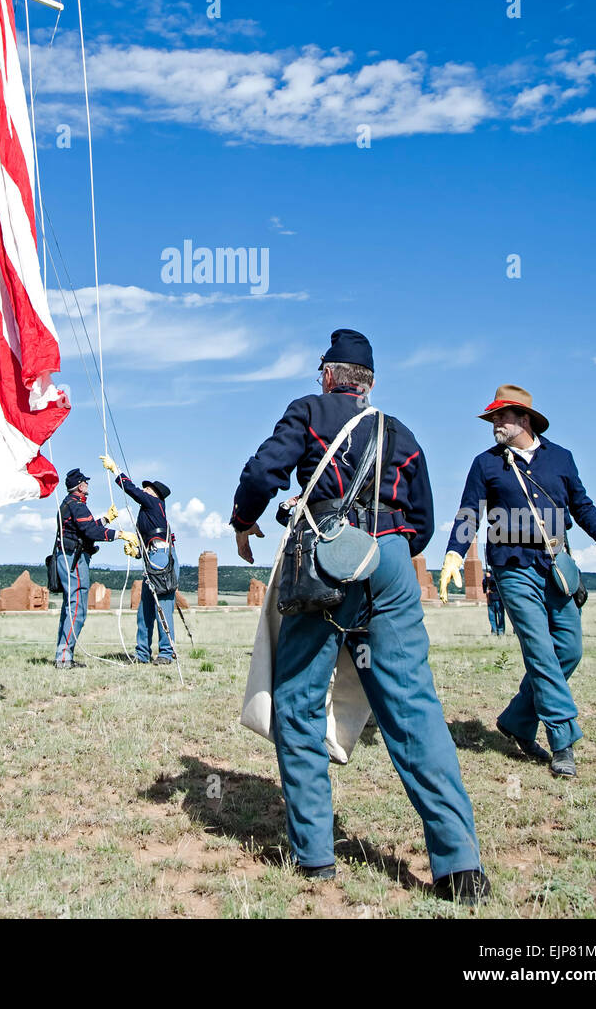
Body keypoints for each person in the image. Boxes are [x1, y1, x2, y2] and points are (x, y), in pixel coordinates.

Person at [230, 328, 488, 903]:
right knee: (414, 706)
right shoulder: (404, 433)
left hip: (325, 554)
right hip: (392, 559)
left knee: (297, 701)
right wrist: (389, 552)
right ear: (368, 385)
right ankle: (459, 866)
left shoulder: (308, 411)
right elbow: (421, 520)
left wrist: (243, 519)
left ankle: (316, 856)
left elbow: (261, 472)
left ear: (327, 375)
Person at [441, 384, 596, 778]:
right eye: (492, 417)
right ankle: (563, 741)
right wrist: (456, 553)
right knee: (541, 651)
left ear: (524, 419)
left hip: (556, 566)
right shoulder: (486, 463)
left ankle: (516, 720)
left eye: (501, 417)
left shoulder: (561, 458)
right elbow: (469, 512)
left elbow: (581, 504)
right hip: (511, 568)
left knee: (569, 649)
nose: (495, 423)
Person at [53, 468, 138, 668]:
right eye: (86, 482)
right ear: (80, 486)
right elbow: (90, 531)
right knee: (77, 609)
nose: (88, 485)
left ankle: (63, 654)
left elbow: (86, 527)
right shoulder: (77, 505)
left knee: (70, 607)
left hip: (67, 556)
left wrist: (106, 519)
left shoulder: (71, 504)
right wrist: (120, 534)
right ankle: (64, 658)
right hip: (74, 559)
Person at [101, 456, 179, 665]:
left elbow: (132, 490)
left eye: (149, 489)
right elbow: (148, 543)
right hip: (153, 558)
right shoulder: (148, 514)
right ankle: (142, 654)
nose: (145, 490)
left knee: (162, 607)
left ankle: (165, 652)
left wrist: (115, 470)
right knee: (145, 608)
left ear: (156, 495)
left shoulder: (153, 503)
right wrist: (136, 553)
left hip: (161, 558)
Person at [483, 568, 506, 635]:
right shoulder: (487, 579)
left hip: (498, 598)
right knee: (491, 616)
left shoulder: (497, 576)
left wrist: (489, 577)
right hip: (490, 599)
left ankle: (501, 630)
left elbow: (495, 580)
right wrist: (486, 579)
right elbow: (484, 586)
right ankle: (494, 630)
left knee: (500, 615)